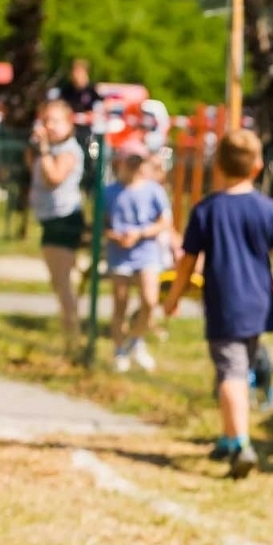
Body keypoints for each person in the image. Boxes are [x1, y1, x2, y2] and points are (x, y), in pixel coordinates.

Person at [163, 129, 273, 479]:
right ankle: (228, 437)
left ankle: (242, 443)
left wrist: (173, 297)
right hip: (258, 304)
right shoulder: (266, 208)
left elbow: (187, 263)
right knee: (239, 366)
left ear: (218, 165)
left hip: (225, 305)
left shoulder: (206, 210)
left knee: (231, 373)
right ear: (258, 165)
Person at [106, 141, 172, 373]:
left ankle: (135, 341)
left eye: (138, 161)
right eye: (130, 160)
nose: (134, 166)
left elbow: (164, 221)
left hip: (146, 252)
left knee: (149, 300)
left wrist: (141, 233)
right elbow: (101, 225)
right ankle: (119, 350)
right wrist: (116, 236)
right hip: (119, 254)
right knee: (120, 303)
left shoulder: (154, 190)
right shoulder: (109, 192)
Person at [30, 99, 87, 351]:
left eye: (55, 121)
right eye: (46, 121)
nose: (49, 126)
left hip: (64, 219)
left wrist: (43, 150)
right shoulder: (50, 149)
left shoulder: (67, 151)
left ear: (69, 123)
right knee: (59, 282)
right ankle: (70, 334)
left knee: (62, 283)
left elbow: (54, 177)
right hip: (50, 219)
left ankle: (72, 340)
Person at [53, 58, 101, 150]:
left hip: (86, 129)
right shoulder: (66, 90)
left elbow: (99, 106)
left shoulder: (91, 89)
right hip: (70, 128)